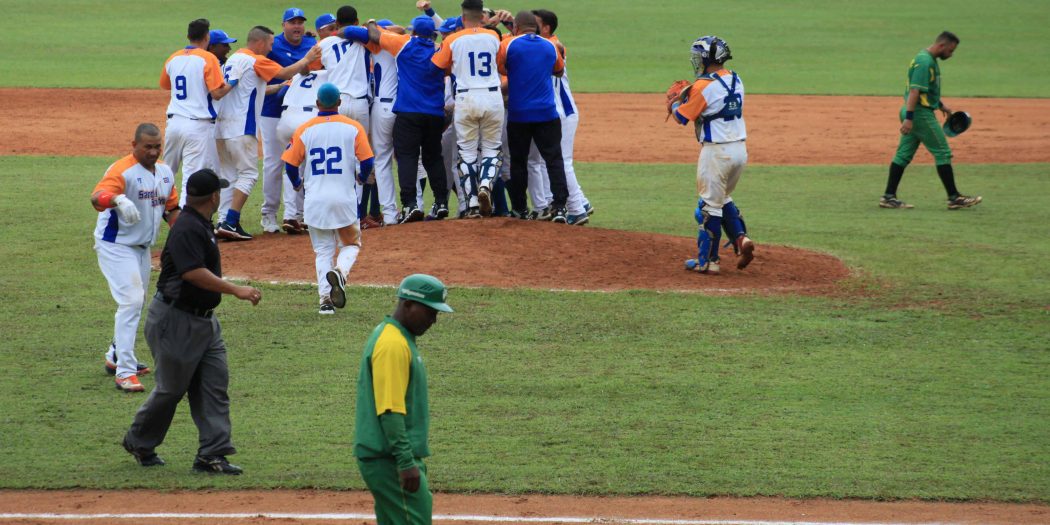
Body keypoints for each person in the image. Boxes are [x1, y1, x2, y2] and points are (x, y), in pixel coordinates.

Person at [122, 168, 262, 474]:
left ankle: (212, 454)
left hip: (203, 323)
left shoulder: (199, 223)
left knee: (214, 384)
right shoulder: (186, 228)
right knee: (171, 389)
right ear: (214, 197)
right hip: (176, 320)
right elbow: (191, 272)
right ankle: (140, 440)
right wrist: (236, 289)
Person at [354, 273, 453, 525]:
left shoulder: (397, 338)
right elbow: (390, 410)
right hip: (390, 459)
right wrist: (405, 461)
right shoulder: (392, 344)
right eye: (430, 312)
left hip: (388, 457)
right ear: (408, 304)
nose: (434, 320)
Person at [92, 123, 180, 392]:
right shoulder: (122, 170)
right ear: (134, 145)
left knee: (137, 301)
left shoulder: (165, 172)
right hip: (115, 245)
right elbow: (97, 197)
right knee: (131, 302)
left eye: (157, 147)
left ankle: (114, 355)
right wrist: (117, 201)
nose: (153, 152)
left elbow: (172, 209)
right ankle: (125, 371)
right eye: (147, 147)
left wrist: (185, 236)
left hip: (142, 248)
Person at [213, 25, 319, 241]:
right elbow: (284, 71)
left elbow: (254, 89)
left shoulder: (234, 59)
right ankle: (231, 220)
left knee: (229, 176)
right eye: (270, 44)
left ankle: (223, 221)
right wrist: (307, 59)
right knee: (249, 174)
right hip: (241, 128)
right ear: (260, 43)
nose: (271, 48)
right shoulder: (255, 59)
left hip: (221, 130)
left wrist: (280, 87)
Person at [282, 83, 374, 314]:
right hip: (344, 199)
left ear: (317, 104)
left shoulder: (305, 129)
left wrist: (296, 184)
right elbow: (368, 161)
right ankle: (340, 272)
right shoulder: (353, 127)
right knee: (351, 244)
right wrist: (362, 177)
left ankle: (325, 302)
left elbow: (290, 163)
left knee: (323, 251)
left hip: (315, 201)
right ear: (339, 103)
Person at [350, 16, 451, 224]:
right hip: (434, 113)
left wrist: (371, 22)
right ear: (433, 34)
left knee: (405, 157)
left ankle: (406, 206)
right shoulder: (440, 49)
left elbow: (372, 34)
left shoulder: (403, 43)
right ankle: (440, 202)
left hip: (405, 110)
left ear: (413, 33)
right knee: (433, 158)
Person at [669, 36, 755, 275]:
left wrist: (674, 104)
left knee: (708, 208)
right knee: (722, 198)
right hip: (740, 150)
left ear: (707, 59)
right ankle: (740, 239)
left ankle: (708, 261)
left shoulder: (702, 86)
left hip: (716, 153)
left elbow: (682, 118)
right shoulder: (736, 79)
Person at [880, 31, 982, 210]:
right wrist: (910, 119)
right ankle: (954, 197)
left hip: (916, 111)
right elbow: (914, 91)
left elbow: (925, 90)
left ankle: (888, 197)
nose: (951, 54)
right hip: (919, 114)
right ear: (942, 46)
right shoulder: (925, 62)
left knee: (903, 155)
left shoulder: (926, 58)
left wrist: (941, 105)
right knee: (942, 152)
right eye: (951, 50)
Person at [431, 0, 503, 218]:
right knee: (491, 148)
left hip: (465, 98)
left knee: (466, 152)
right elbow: (501, 65)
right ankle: (485, 185)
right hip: (492, 97)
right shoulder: (494, 37)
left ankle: (471, 204)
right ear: (482, 16)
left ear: (462, 19)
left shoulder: (453, 39)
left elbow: (436, 66)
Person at [497, 11, 569, 223]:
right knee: (554, 160)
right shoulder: (550, 46)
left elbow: (502, 68)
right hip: (547, 112)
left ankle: (520, 208)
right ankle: (560, 208)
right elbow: (558, 70)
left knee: (518, 162)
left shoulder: (508, 44)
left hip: (519, 114)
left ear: (516, 27)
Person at [524, 9, 591, 225]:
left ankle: (577, 210)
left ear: (546, 28)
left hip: (562, 113)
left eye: (534, 24)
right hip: (556, 113)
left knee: (562, 162)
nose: (530, 27)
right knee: (550, 161)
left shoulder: (552, 45)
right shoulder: (543, 45)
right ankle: (581, 201)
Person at [161, 19, 235, 207]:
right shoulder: (208, 59)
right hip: (197, 127)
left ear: (188, 36)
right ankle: (187, 222)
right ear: (207, 37)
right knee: (192, 176)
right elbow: (217, 93)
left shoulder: (173, 57)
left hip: (173, 124)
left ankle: (153, 210)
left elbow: (165, 85)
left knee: (165, 174)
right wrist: (232, 83)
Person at [260, 7, 320, 235]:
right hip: (271, 111)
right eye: (292, 22)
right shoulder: (272, 45)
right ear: (283, 25)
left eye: (300, 22)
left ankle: (299, 214)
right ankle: (268, 215)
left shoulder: (311, 45)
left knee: (302, 162)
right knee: (274, 163)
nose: (297, 26)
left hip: (302, 113)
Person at [318, 6, 373, 131]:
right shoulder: (364, 39)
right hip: (360, 103)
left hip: (336, 102)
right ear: (357, 22)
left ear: (337, 23)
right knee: (360, 146)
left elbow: (307, 66)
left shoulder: (324, 43)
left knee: (338, 143)